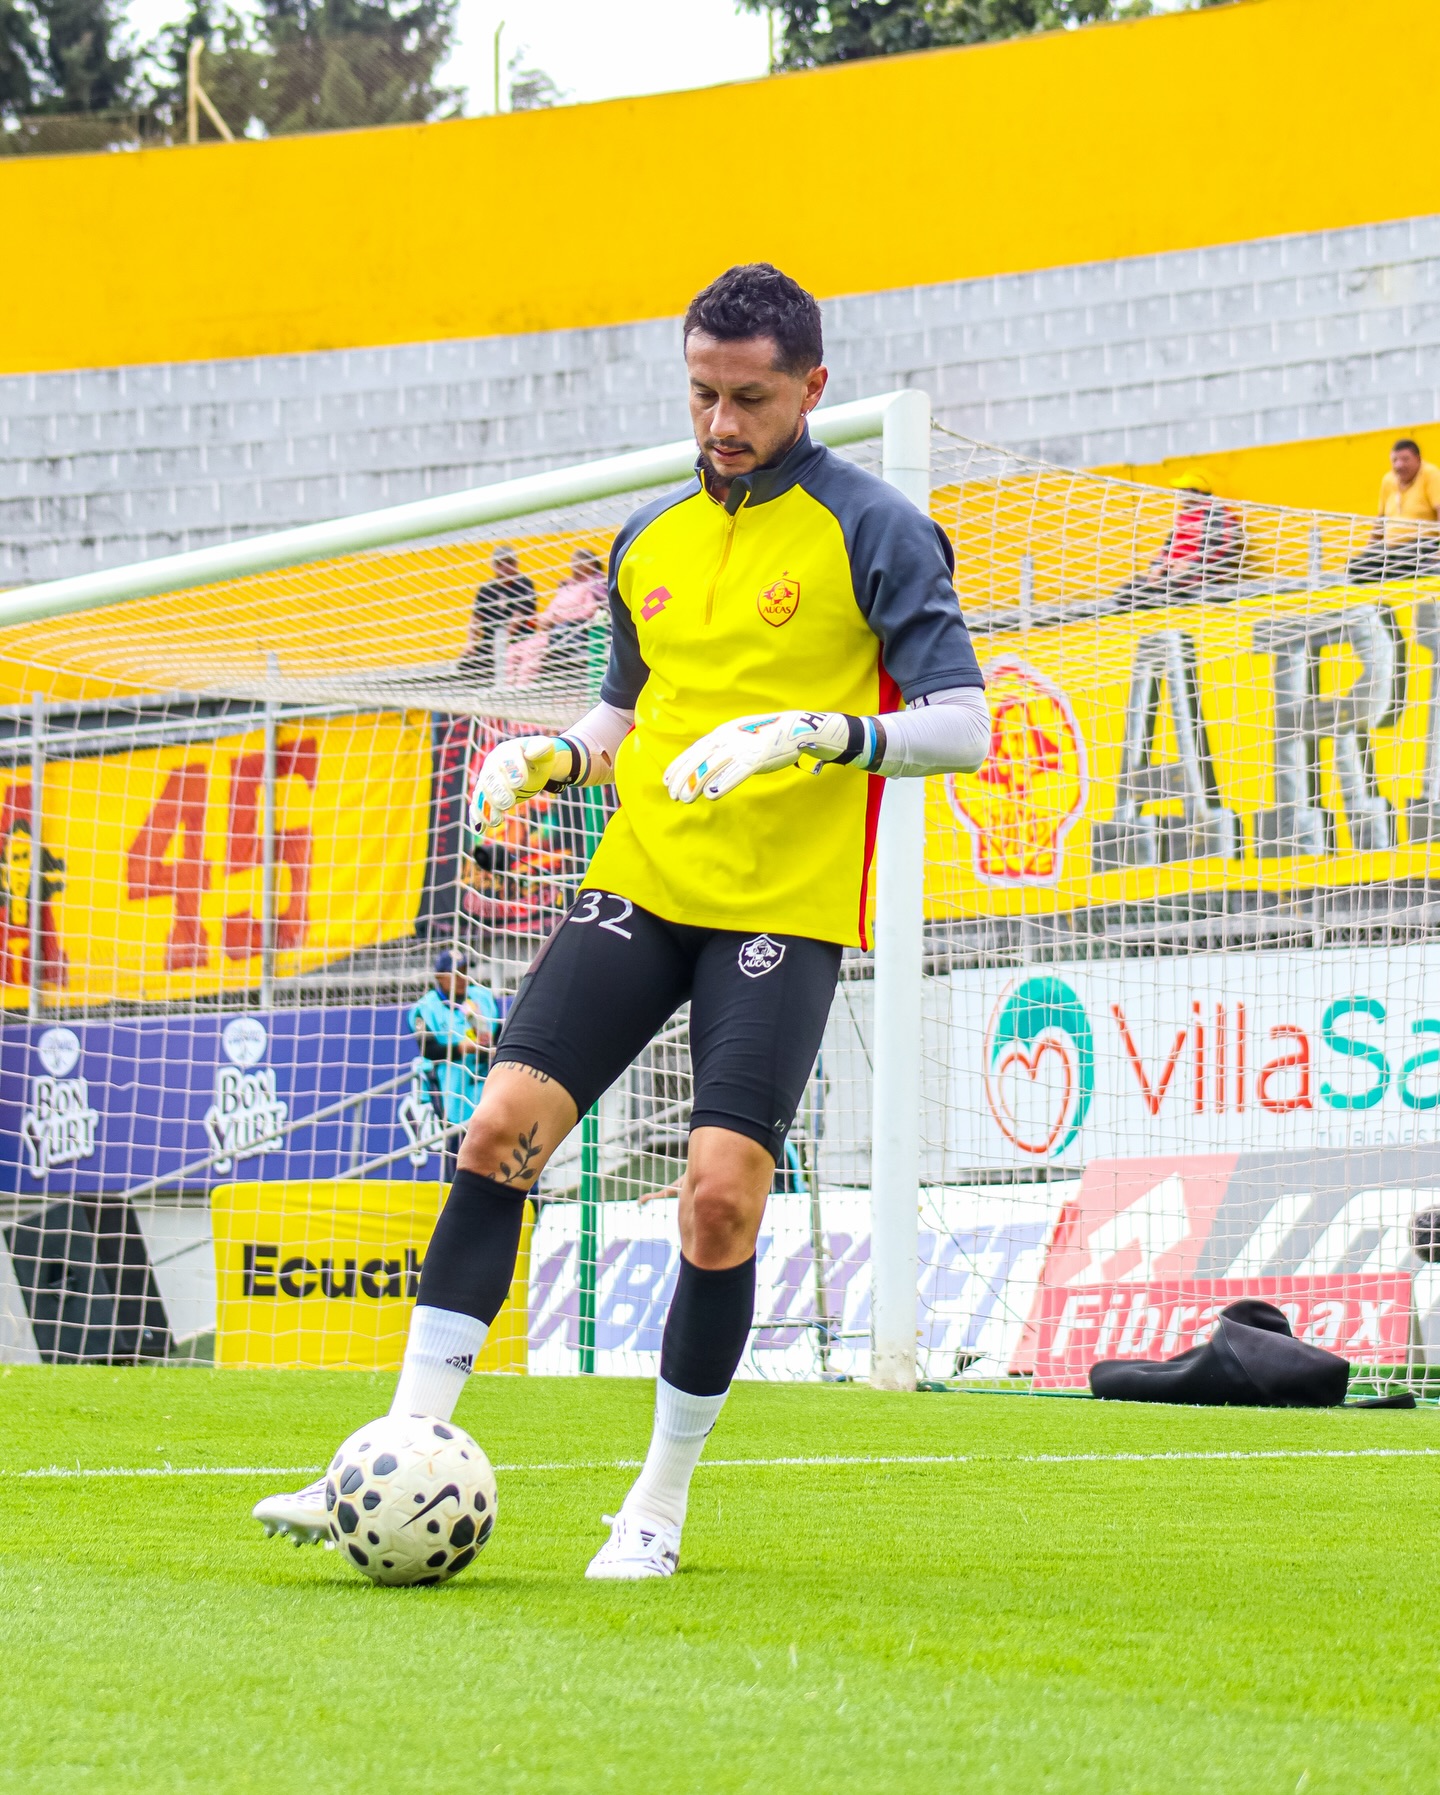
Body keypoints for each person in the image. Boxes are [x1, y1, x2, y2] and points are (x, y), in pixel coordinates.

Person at [253, 262, 991, 1578]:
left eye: (750, 397)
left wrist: (818, 732)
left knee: (720, 1198)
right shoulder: (647, 536)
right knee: (498, 1129)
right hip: (639, 883)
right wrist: (552, 756)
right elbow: (625, 711)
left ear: (812, 388)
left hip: (780, 910)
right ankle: (396, 1449)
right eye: (703, 393)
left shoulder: (876, 528)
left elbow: (964, 723)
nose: (721, 422)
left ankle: (656, 1503)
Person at [407, 947, 499, 1176]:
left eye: (464, 971)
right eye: (455, 974)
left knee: (493, 1144)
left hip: (484, 1082)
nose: (461, 978)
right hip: (450, 1088)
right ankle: (454, 1188)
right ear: (440, 977)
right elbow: (428, 1049)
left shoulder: (482, 998)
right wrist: (462, 1048)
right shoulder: (424, 1009)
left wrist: (488, 1041)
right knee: (458, 1148)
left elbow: (500, 1035)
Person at [1113, 472, 1244, 607]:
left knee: (1168, 587)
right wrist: (1157, 567)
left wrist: (1192, 565)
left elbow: (1225, 547)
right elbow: (1166, 549)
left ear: (1196, 492)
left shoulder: (1216, 514)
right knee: (1125, 592)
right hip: (1172, 571)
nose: (1180, 495)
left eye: (1183, 491)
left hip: (1199, 572)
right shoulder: (1183, 517)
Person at [504, 544, 606, 685]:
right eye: (573, 563)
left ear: (590, 565)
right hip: (550, 631)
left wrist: (559, 619)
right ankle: (509, 687)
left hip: (569, 632)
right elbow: (550, 611)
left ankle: (522, 686)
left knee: (531, 651)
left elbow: (590, 611)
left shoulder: (593, 585)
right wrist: (545, 619)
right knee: (513, 650)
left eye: (578, 563)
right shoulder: (567, 586)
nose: (573, 567)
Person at [1346, 438, 1440, 584]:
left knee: (1401, 563)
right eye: (1395, 460)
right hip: (1390, 547)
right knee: (1356, 567)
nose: (1399, 465)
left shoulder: (1431, 474)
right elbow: (1380, 520)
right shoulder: (1388, 480)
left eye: (1405, 459)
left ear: (1418, 459)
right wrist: (1369, 551)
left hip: (1423, 544)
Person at [458, 543, 537, 677]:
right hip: (490, 640)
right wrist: (470, 644)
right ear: (494, 566)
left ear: (516, 564)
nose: (505, 567)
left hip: (518, 639)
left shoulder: (524, 584)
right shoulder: (486, 589)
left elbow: (517, 618)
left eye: (509, 563)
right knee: (466, 664)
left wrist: (502, 643)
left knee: (509, 660)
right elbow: (476, 619)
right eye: (500, 564)